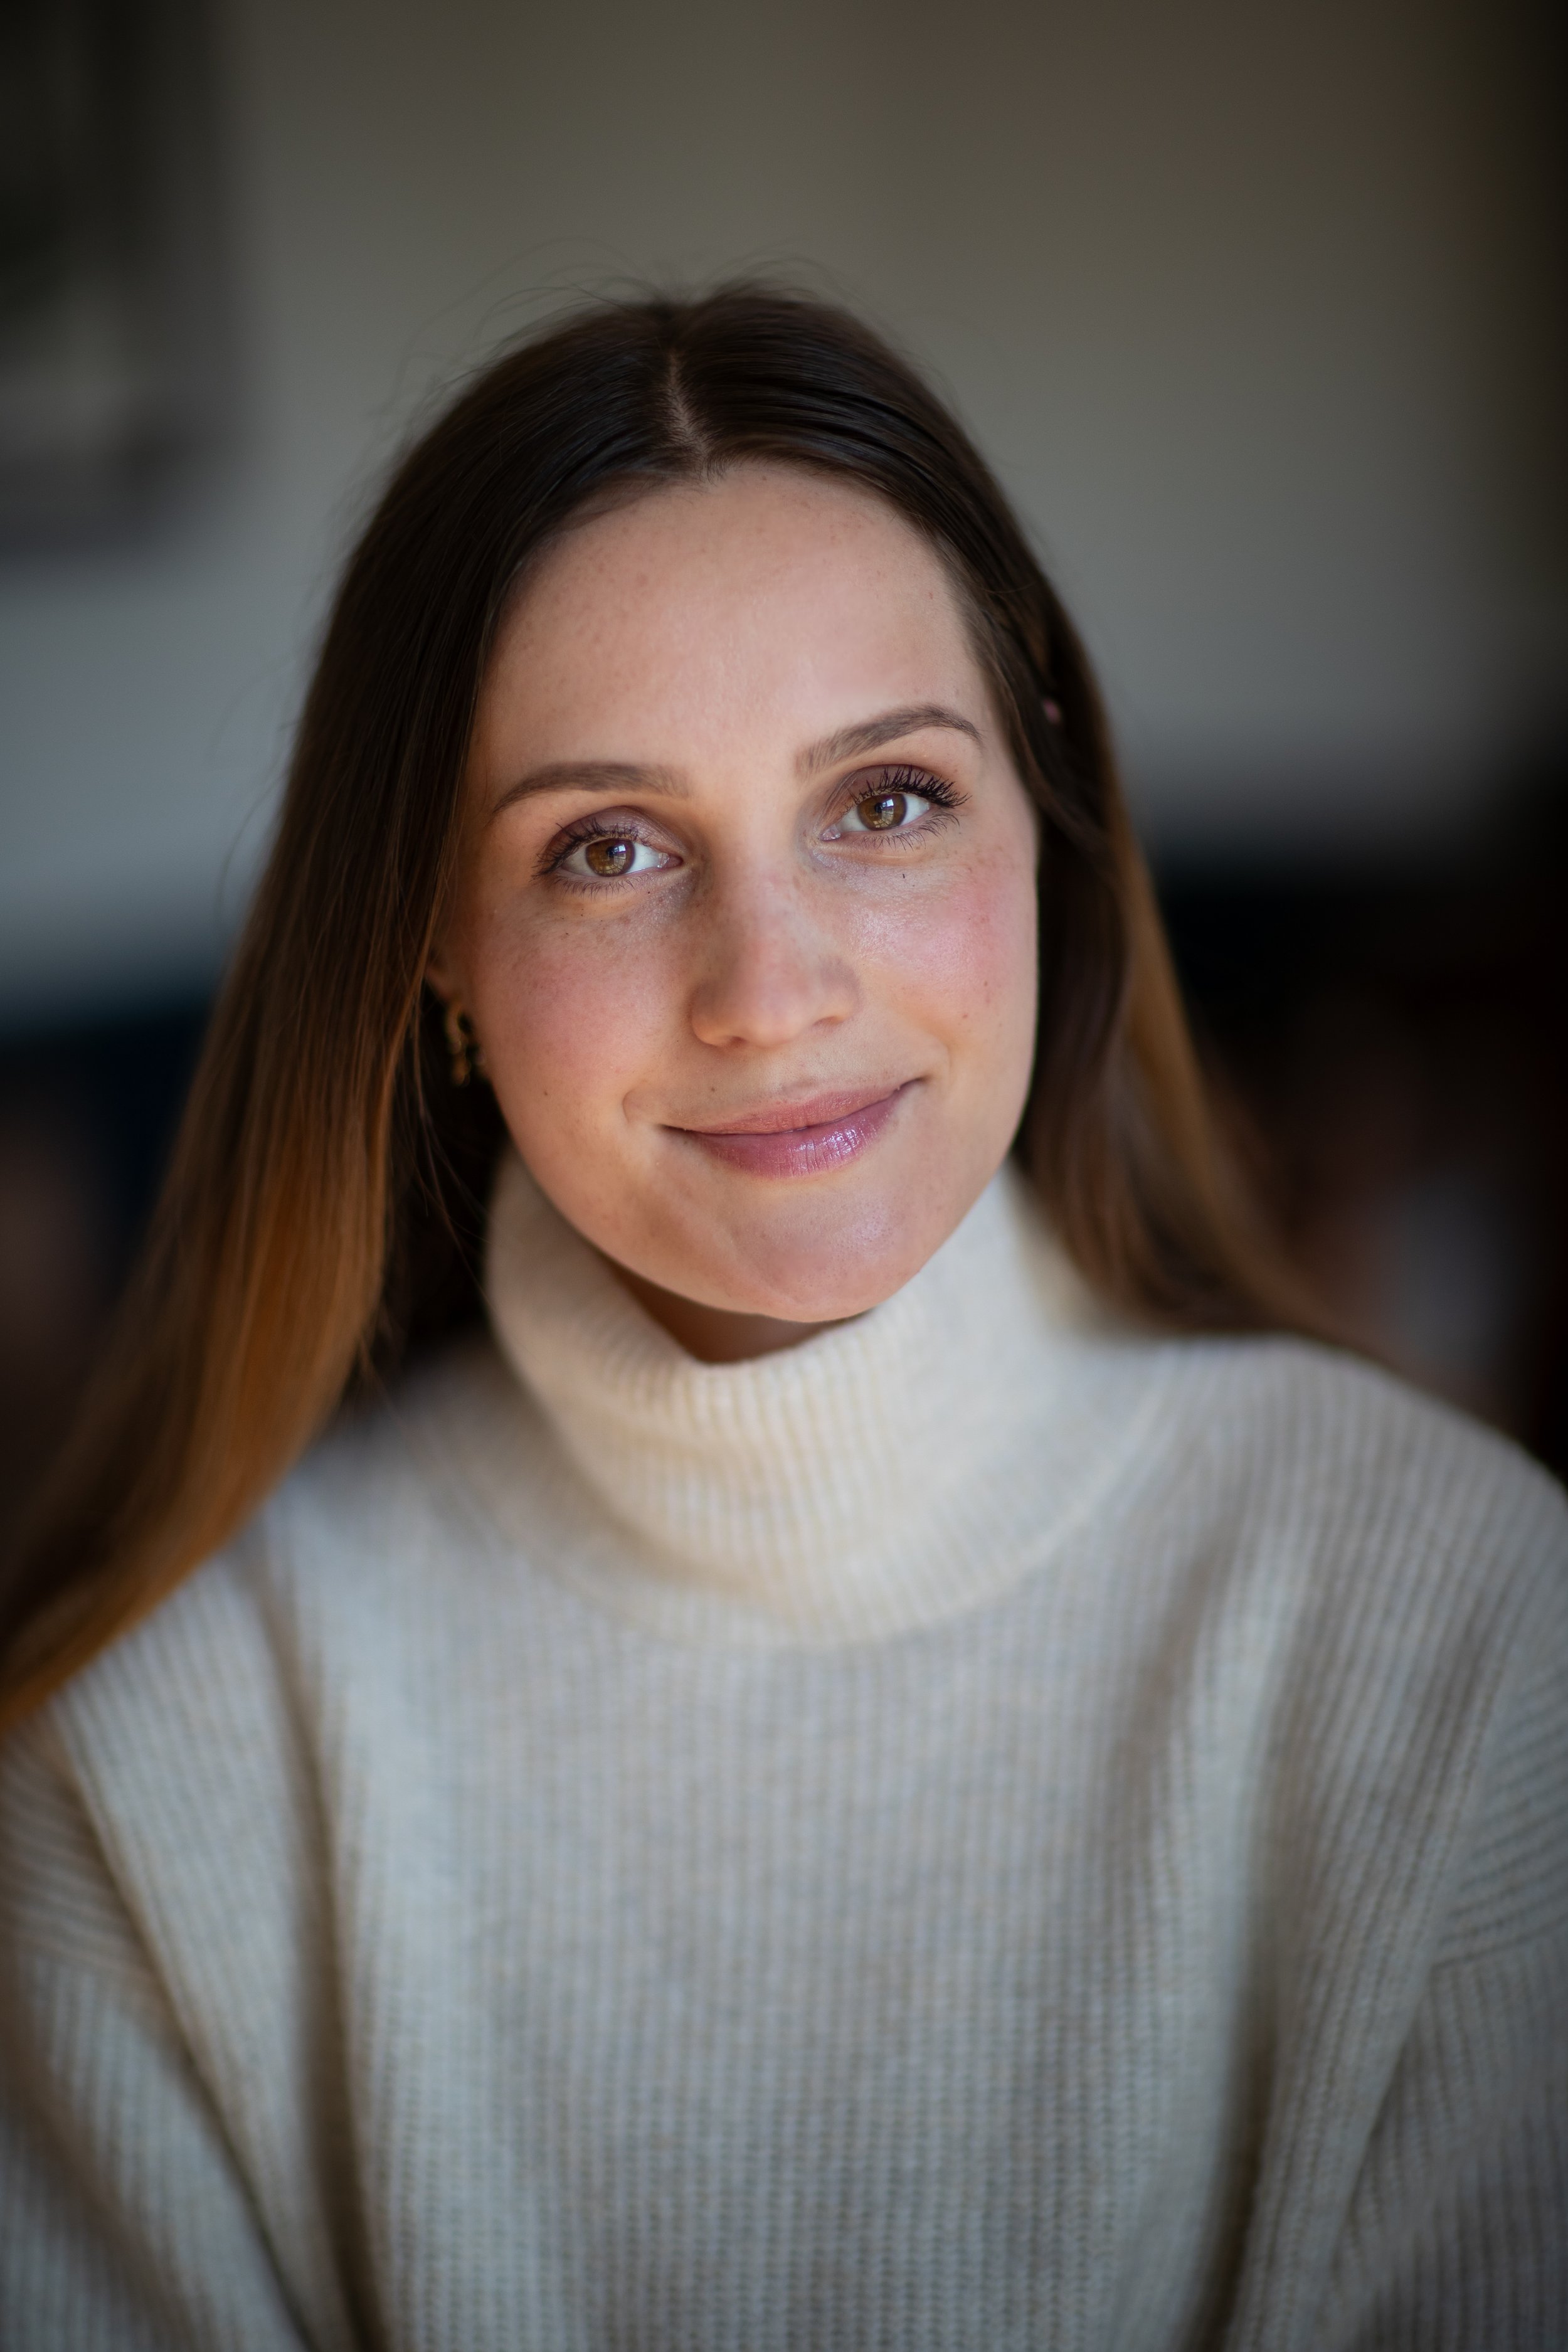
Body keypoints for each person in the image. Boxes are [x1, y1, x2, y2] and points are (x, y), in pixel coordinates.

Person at [1, 286, 1564, 2352]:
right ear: (438, 955)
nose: (771, 985)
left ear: (1048, 815)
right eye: (610, 847)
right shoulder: (163, 1763)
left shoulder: (1450, 1621)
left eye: (887, 802)